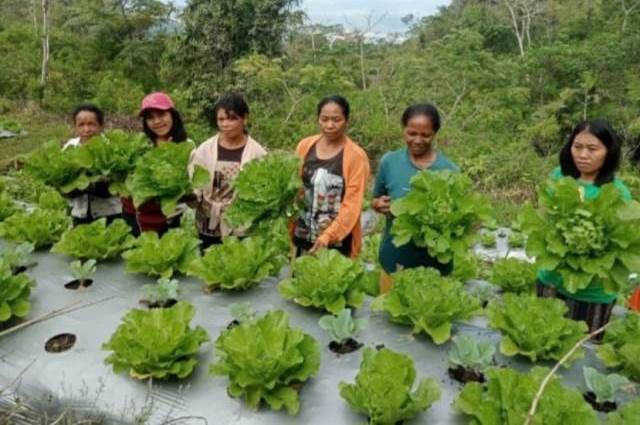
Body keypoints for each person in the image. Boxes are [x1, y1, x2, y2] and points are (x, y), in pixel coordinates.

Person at [536, 119, 631, 338]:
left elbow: (623, 242)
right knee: (542, 340)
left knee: (581, 353)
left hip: (593, 293)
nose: (583, 155)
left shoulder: (618, 192)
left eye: (592, 149)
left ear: (608, 151)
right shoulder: (558, 177)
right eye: (577, 147)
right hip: (551, 280)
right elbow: (541, 220)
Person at [372, 103, 459, 292]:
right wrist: (378, 204)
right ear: (404, 130)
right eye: (411, 133)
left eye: (425, 135)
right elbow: (376, 198)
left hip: (435, 267)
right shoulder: (390, 162)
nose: (418, 140)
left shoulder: (450, 171)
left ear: (435, 133)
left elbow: (461, 217)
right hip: (395, 260)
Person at [291, 95, 370, 258]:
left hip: (337, 241)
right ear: (318, 119)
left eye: (336, 119)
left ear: (346, 120)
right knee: (300, 280)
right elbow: (293, 187)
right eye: (324, 119)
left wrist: (328, 236)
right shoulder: (305, 146)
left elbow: (352, 204)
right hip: (304, 233)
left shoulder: (356, 156)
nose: (330, 125)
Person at [189, 93, 266, 248]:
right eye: (221, 119)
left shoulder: (258, 154)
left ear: (245, 119)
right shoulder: (204, 149)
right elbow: (195, 185)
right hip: (208, 223)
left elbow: (262, 193)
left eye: (232, 118)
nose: (225, 124)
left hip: (242, 226)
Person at [121, 92, 189, 236]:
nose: (157, 121)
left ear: (173, 115)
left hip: (173, 218)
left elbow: (191, 185)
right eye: (150, 117)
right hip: (139, 219)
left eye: (161, 115)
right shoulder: (140, 146)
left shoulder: (187, 146)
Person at [63, 104, 122, 225]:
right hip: (80, 214)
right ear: (75, 127)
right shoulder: (70, 147)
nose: (86, 129)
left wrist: (89, 186)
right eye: (81, 125)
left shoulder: (111, 146)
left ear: (101, 126)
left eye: (91, 124)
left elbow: (118, 182)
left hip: (110, 214)